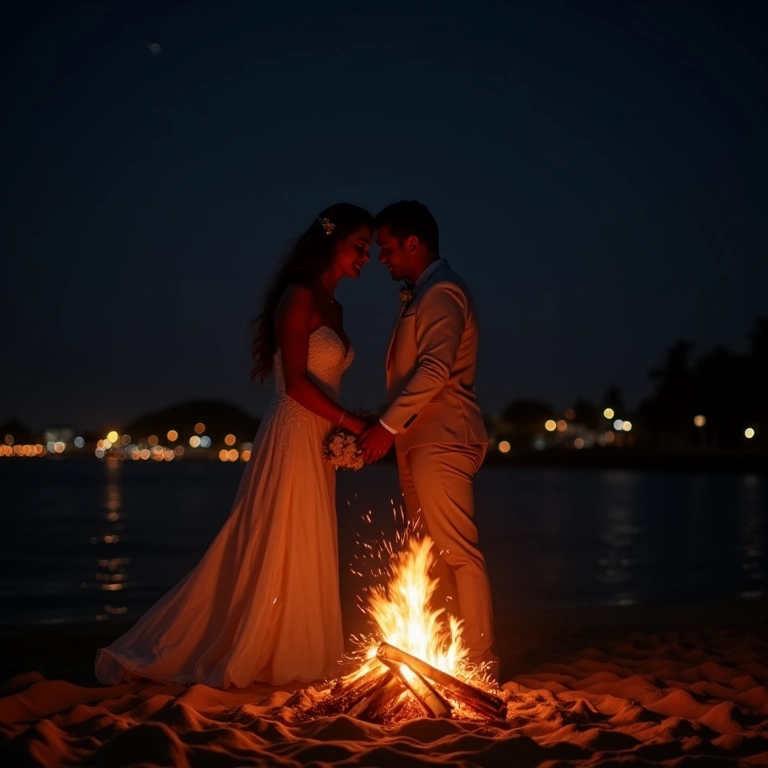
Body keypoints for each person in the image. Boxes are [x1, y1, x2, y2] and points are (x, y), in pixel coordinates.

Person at [95, 203, 373, 687]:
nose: (367, 257)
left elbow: (327, 383)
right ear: (333, 241)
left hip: (323, 435)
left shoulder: (338, 307)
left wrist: (348, 426)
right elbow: (295, 385)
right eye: (360, 246)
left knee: (308, 535)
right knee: (275, 533)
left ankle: (301, 647)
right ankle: (254, 646)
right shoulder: (297, 296)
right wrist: (351, 422)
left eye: (370, 249)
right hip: (292, 431)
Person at [359, 200, 499, 679]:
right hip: (419, 440)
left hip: (443, 437)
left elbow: (435, 368)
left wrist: (385, 425)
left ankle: (481, 662)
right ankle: (442, 652)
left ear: (414, 244)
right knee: (431, 553)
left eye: (388, 247)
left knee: (458, 550)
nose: (381, 258)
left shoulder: (442, 291)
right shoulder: (425, 292)